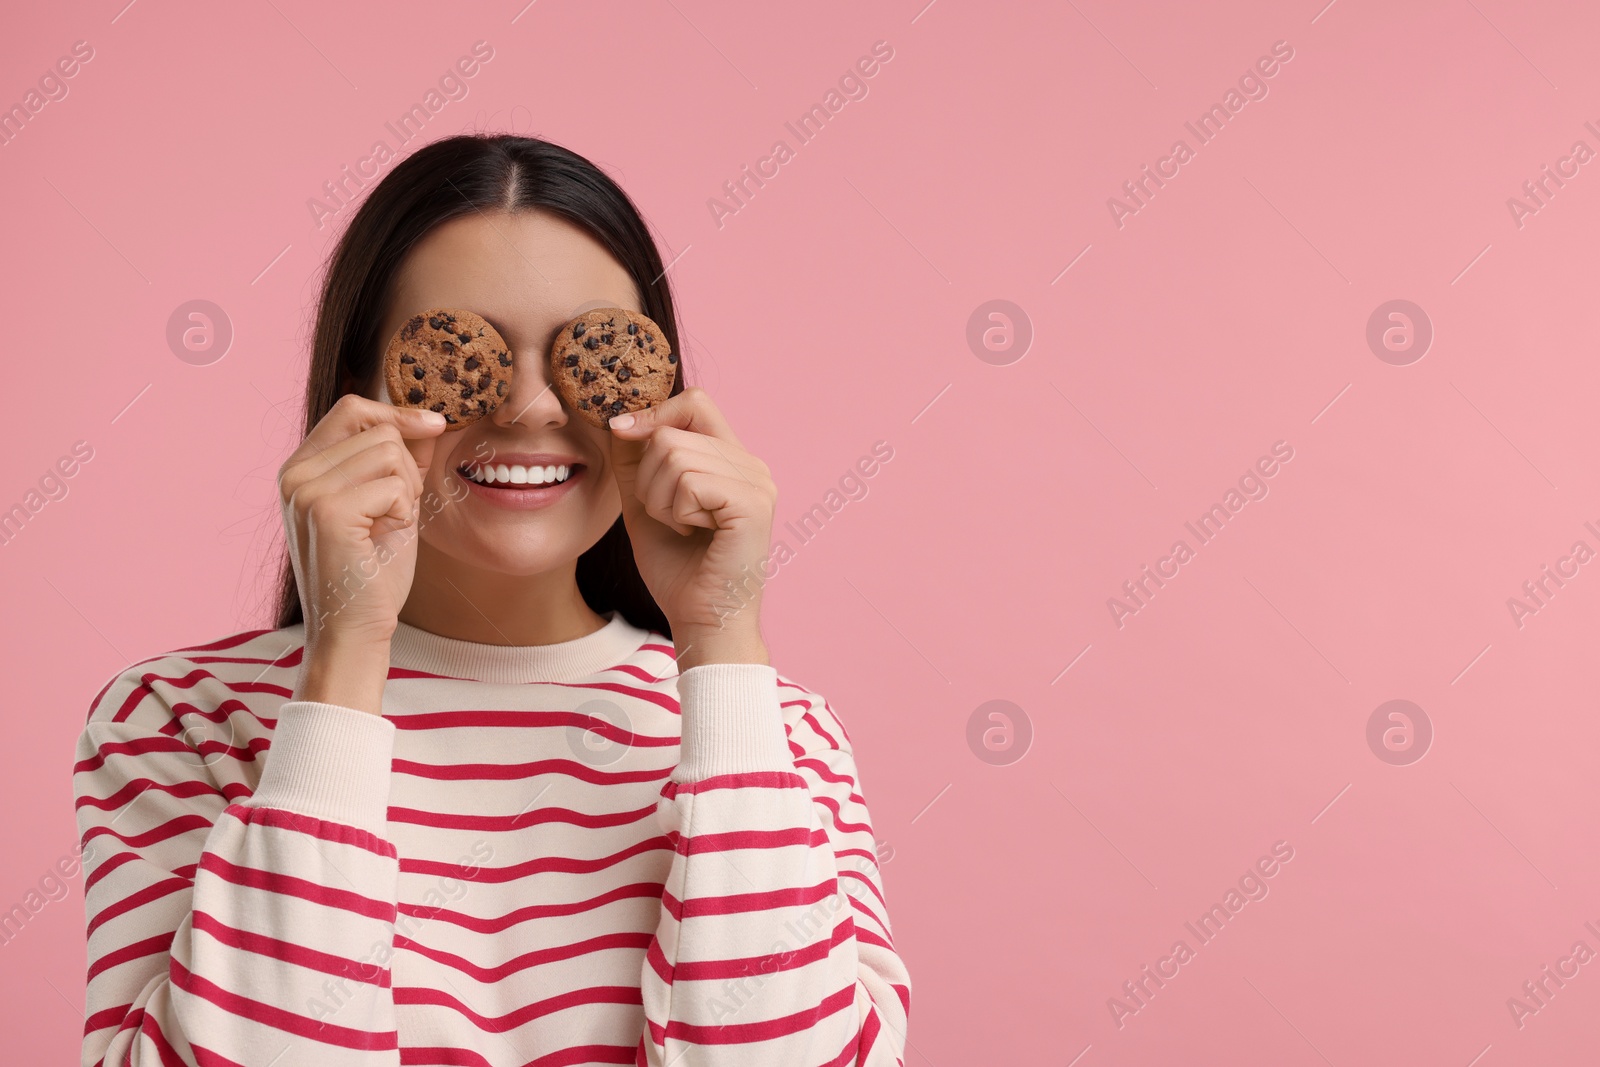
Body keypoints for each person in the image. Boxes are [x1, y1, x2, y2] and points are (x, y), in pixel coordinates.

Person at [71, 133, 910, 1066]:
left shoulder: (779, 733)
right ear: (358, 391)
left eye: (580, 353)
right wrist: (345, 650)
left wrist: (721, 638)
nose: (528, 407)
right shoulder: (177, 719)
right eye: (467, 344)